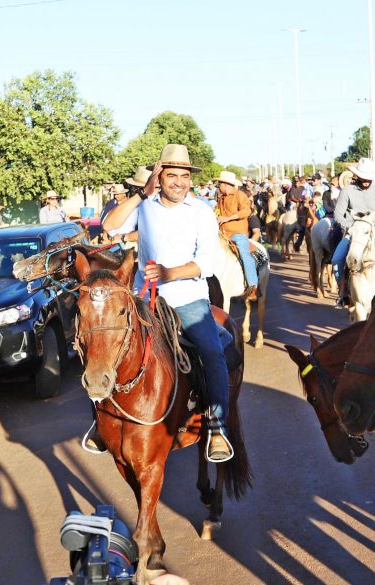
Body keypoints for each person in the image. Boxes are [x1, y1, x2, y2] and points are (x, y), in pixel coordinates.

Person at [103, 144, 234, 463]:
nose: (178, 181)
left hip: (188, 299)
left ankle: (217, 427)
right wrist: (140, 195)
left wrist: (169, 272)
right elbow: (109, 227)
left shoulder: (201, 210)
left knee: (211, 353)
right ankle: (100, 422)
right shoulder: (143, 205)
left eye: (184, 175)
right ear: (158, 177)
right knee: (102, 344)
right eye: (171, 174)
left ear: (190, 178)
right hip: (144, 300)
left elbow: (208, 261)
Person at [330, 158, 375, 307]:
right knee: (337, 259)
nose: (366, 180)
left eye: (369, 177)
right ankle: (343, 292)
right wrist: (351, 226)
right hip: (353, 230)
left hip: (374, 228)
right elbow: (338, 214)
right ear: (357, 176)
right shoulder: (347, 191)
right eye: (363, 177)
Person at [215, 170, 258, 300]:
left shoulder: (240, 195)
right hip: (221, 233)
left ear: (226, 184)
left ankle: (253, 286)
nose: (218, 186)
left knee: (245, 254)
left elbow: (246, 211)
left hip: (237, 233)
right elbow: (218, 212)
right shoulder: (220, 197)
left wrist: (227, 218)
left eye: (220, 184)